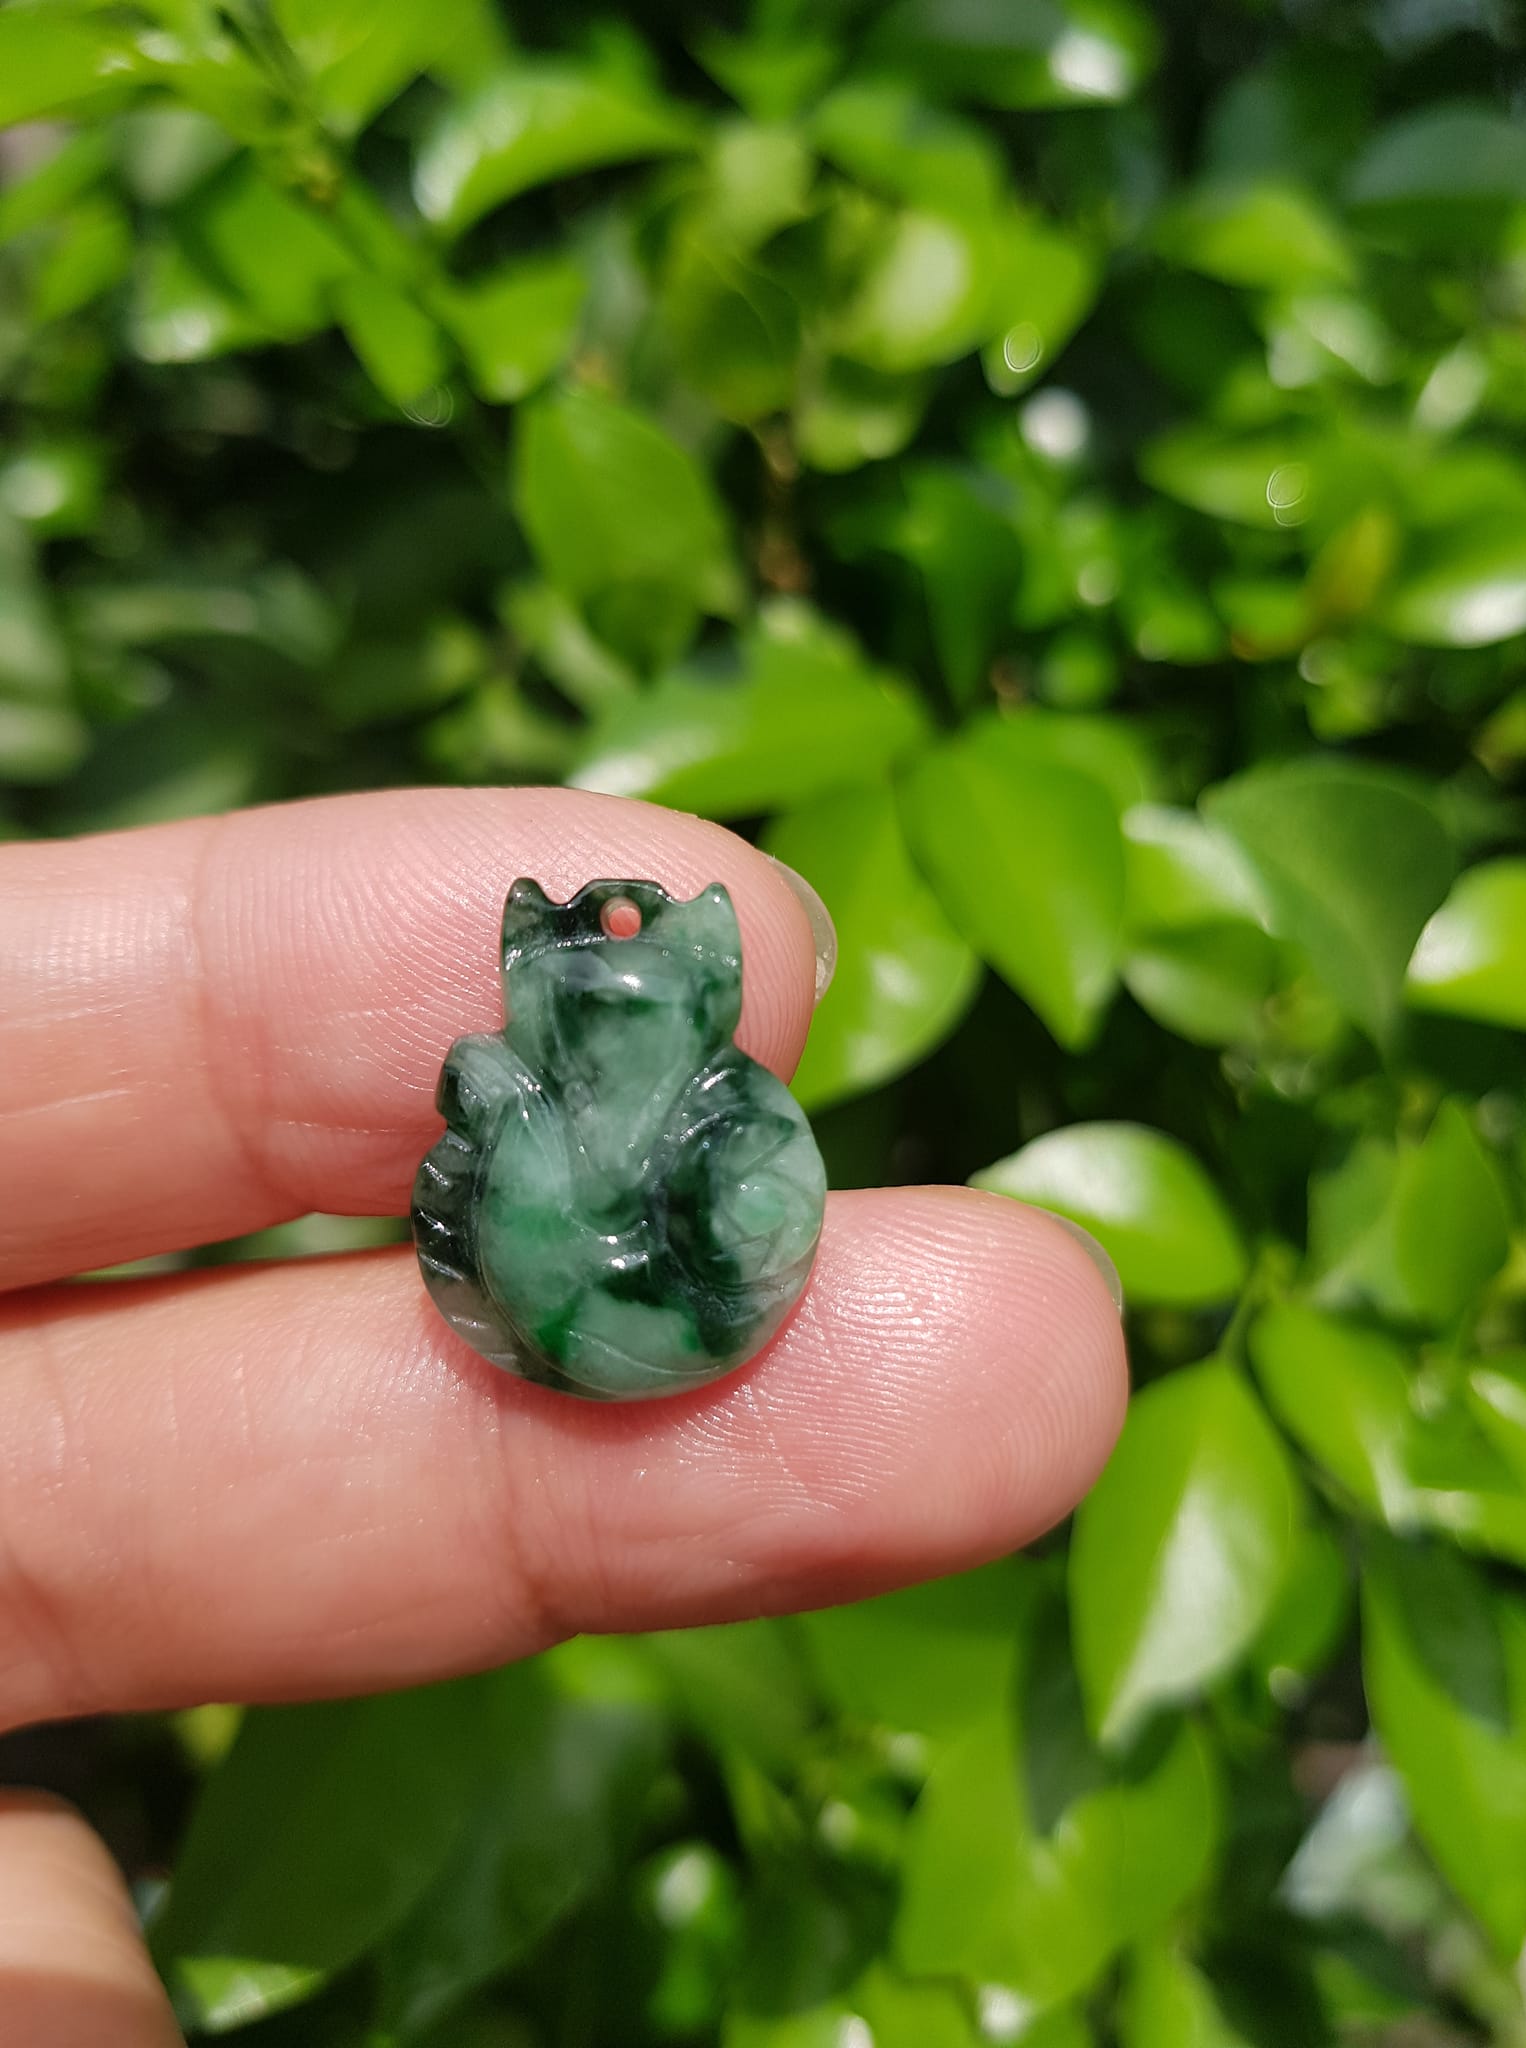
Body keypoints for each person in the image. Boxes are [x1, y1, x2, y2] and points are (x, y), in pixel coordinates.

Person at [0, 787, 1126, 2045]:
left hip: (639, 1285)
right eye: (581, 1009)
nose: (606, 1030)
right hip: (569, 1278)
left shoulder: (733, 1125)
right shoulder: (550, 1103)